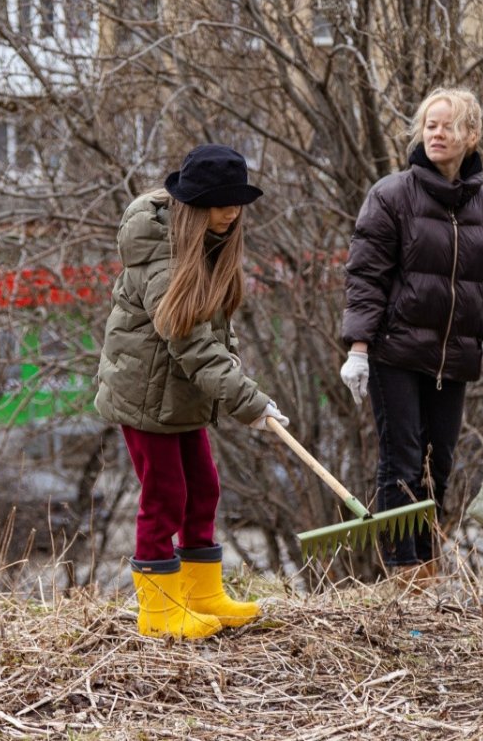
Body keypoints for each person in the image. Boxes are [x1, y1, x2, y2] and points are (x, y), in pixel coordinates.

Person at [95, 143, 290, 640]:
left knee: (204, 490)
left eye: (235, 203)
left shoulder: (211, 242)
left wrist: (239, 381)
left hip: (181, 395)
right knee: (165, 496)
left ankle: (202, 594)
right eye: (220, 203)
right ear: (195, 204)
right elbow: (189, 341)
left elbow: (219, 336)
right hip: (144, 395)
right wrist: (246, 399)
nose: (230, 213)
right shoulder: (157, 252)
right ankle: (159, 613)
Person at [339, 87, 483, 577]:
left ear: (472, 135)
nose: (437, 134)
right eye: (430, 125)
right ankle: (406, 573)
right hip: (394, 354)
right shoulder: (392, 195)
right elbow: (365, 277)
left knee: (436, 466)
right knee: (401, 462)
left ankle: (426, 562)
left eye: (447, 125)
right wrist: (358, 347)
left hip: (454, 360)